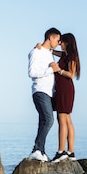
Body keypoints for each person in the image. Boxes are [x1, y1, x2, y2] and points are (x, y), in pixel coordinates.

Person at [27, 27, 62, 161]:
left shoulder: (48, 52)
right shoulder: (37, 52)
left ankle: (40, 150)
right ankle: (36, 149)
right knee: (48, 120)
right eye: (57, 40)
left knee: (44, 121)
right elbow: (31, 73)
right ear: (51, 38)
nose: (58, 43)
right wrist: (50, 70)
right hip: (40, 90)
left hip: (48, 92)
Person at [50, 32, 81, 162]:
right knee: (67, 120)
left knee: (62, 119)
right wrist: (42, 46)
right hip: (63, 88)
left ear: (67, 43)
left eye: (61, 41)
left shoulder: (71, 56)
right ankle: (70, 152)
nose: (59, 43)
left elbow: (71, 74)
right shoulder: (65, 55)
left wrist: (58, 70)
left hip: (65, 89)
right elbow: (52, 51)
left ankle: (61, 151)